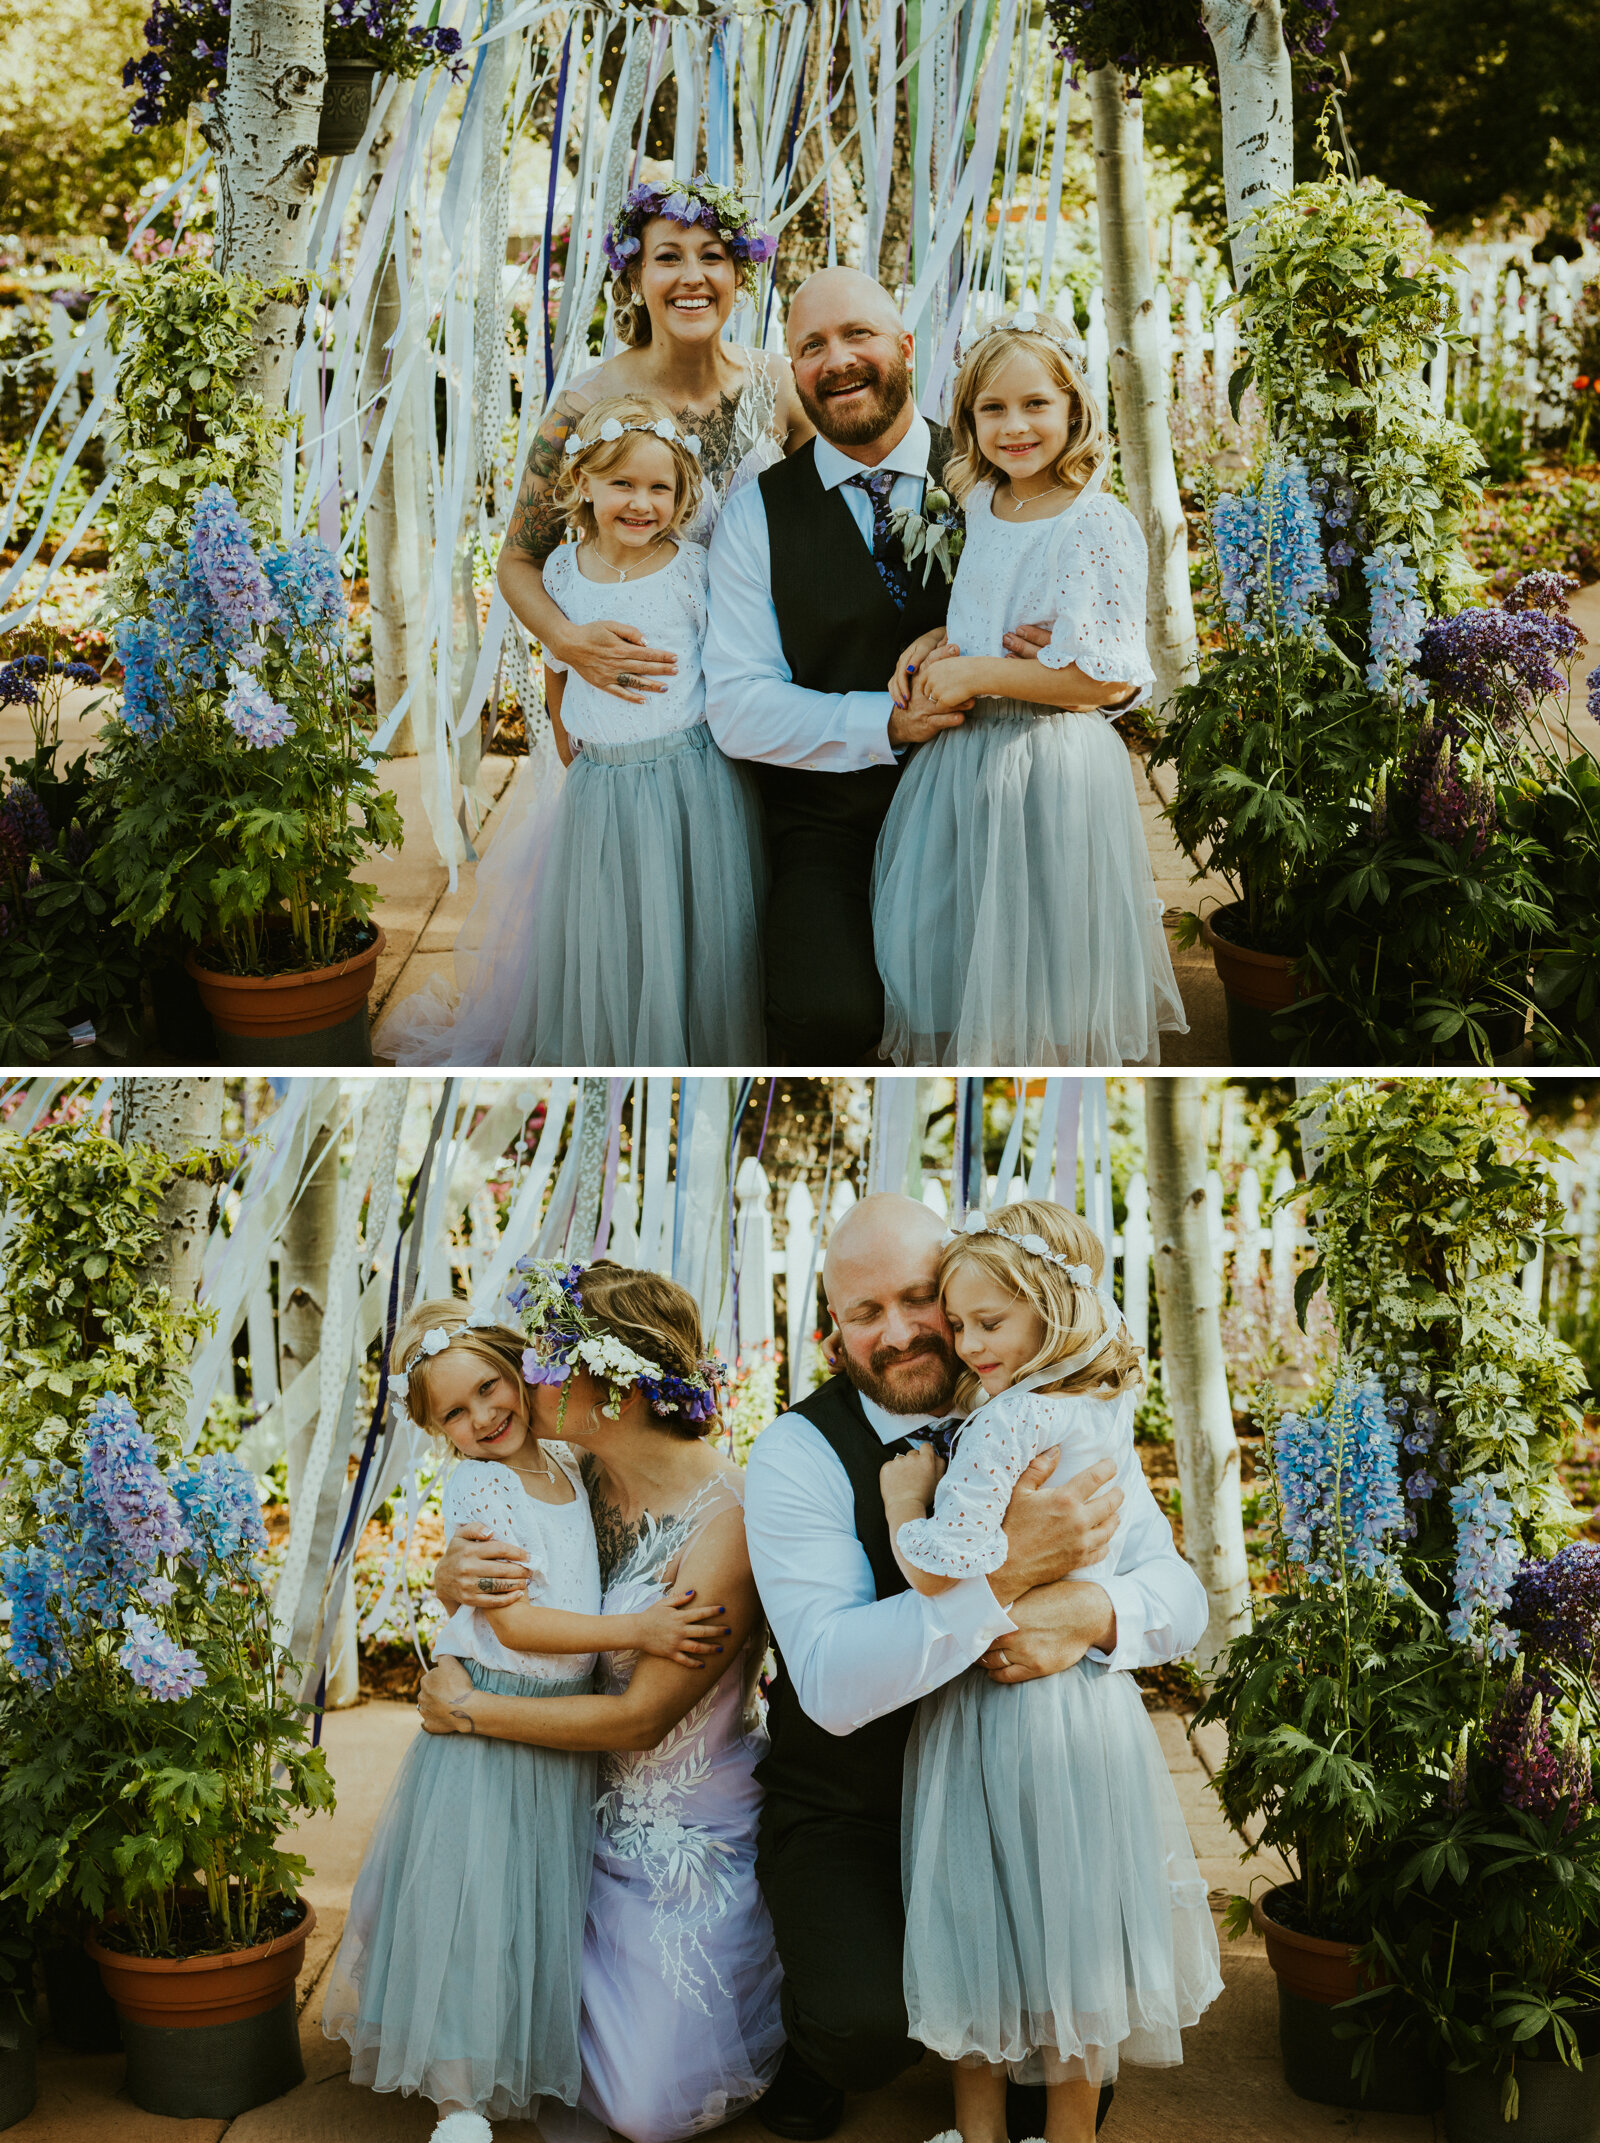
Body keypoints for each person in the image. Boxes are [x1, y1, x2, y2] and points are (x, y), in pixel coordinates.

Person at [740, 1192, 1208, 2142]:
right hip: (856, 1800)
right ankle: (813, 2024)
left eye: (924, 1301)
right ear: (834, 1328)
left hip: (1027, 1791)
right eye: (866, 1312)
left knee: (1067, 2073)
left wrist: (1094, 1607)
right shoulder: (799, 1452)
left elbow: (1178, 1593)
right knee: (863, 2027)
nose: (906, 1331)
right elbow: (829, 1682)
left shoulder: (1049, 1415)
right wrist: (1008, 1572)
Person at [379, 172, 804, 1067]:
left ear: (741, 275)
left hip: (758, 699)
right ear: (634, 278)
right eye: (667, 258)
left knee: (734, 913)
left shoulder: (778, 388)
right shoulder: (584, 405)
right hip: (633, 723)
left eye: (713, 256)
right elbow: (520, 559)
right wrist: (567, 645)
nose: (692, 276)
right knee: (633, 913)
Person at [321, 1303, 728, 2143]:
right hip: (500, 1714)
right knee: (474, 1905)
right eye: (455, 1414)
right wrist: (638, 1628)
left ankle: (506, 2062)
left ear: (516, 1370)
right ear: (439, 1432)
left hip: (556, 1722)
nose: (482, 1416)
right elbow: (513, 1623)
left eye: (490, 1387)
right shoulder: (483, 1482)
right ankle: (459, 2103)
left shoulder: (570, 1465)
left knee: (531, 1905)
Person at [422, 1260, 786, 2143]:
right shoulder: (570, 1472)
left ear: (615, 1386)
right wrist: (449, 1580)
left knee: (643, 2102)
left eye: (550, 1357)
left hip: (679, 1833)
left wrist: (465, 1710)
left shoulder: (727, 1521)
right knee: (491, 2019)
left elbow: (640, 1717)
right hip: (564, 1805)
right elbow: (518, 1597)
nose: (526, 1372)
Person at [881, 1203, 1222, 2143]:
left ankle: (978, 2132)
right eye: (959, 1325)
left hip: (997, 1719)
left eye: (988, 1322)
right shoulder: (1101, 1411)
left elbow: (940, 1563)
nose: (966, 1343)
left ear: (1052, 1308)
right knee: (1077, 1934)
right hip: (1092, 1723)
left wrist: (905, 1499)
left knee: (973, 1918)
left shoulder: (1009, 1420)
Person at [872, 310, 1186, 1066]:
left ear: (1075, 407)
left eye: (1036, 403)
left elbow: (1104, 675)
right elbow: (989, 614)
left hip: (1048, 768)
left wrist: (978, 672)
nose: (1015, 426)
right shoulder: (983, 504)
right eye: (994, 408)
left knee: (1051, 961)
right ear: (968, 419)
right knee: (969, 949)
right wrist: (940, 645)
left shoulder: (1095, 522)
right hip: (967, 761)